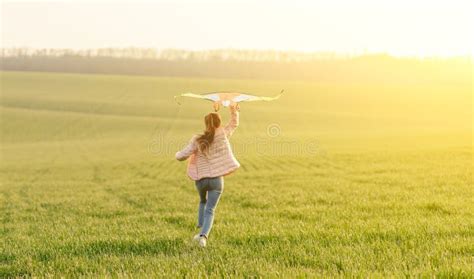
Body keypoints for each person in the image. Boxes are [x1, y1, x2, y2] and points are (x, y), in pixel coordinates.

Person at [175, 103, 240, 247]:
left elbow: (181, 156)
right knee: (210, 209)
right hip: (217, 180)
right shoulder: (223, 134)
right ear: (219, 123)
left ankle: (199, 228)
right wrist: (233, 109)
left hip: (201, 181)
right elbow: (234, 124)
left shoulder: (197, 139)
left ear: (205, 124)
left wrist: (176, 154)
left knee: (203, 201)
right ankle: (203, 237)